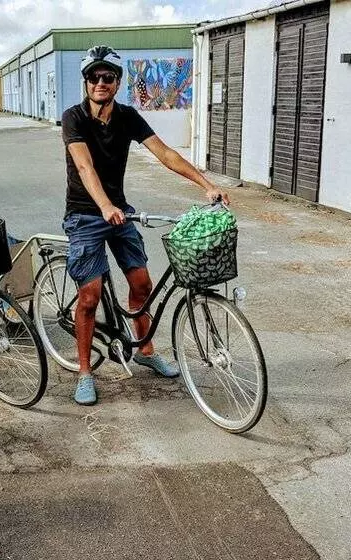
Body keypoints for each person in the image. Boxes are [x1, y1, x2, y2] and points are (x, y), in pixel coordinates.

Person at [61, 45, 231, 406]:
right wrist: (104, 205)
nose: (101, 83)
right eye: (94, 77)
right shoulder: (73, 117)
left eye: (108, 77)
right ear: (86, 81)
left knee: (142, 284)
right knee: (89, 297)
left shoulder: (127, 117)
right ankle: (85, 372)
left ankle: (146, 350)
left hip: (120, 212)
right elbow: (84, 167)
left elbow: (165, 153)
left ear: (118, 82)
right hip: (85, 214)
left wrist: (207, 185)